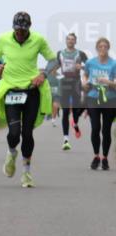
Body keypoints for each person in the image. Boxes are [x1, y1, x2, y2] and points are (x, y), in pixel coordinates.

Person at [0, 12, 54, 188]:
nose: (20, 33)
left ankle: (26, 173)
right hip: (11, 90)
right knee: (14, 133)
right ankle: (12, 153)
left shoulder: (38, 40)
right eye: (17, 30)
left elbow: (53, 60)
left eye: (23, 30)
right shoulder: (4, 39)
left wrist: (43, 74)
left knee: (27, 133)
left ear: (29, 28)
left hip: (31, 91)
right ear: (13, 28)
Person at [47, 33, 89, 150]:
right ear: (66, 41)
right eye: (68, 39)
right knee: (65, 111)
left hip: (75, 83)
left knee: (75, 110)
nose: (70, 41)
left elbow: (90, 66)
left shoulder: (80, 54)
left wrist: (82, 67)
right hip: (64, 83)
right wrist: (57, 74)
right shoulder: (60, 53)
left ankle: (75, 123)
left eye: (72, 39)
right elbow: (54, 68)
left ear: (75, 41)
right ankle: (66, 139)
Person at [81, 37, 115, 170]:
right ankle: (96, 156)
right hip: (93, 97)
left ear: (108, 48)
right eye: (100, 46)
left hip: (110, 98)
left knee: (106, 130)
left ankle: (105, 158)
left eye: (105, 46)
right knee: (95, 128)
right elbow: (85, 75)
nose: (103, 49)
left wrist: (108, 82)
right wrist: (84, 83)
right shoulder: (90, 62)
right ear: (97, 48)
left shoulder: (113, 64)